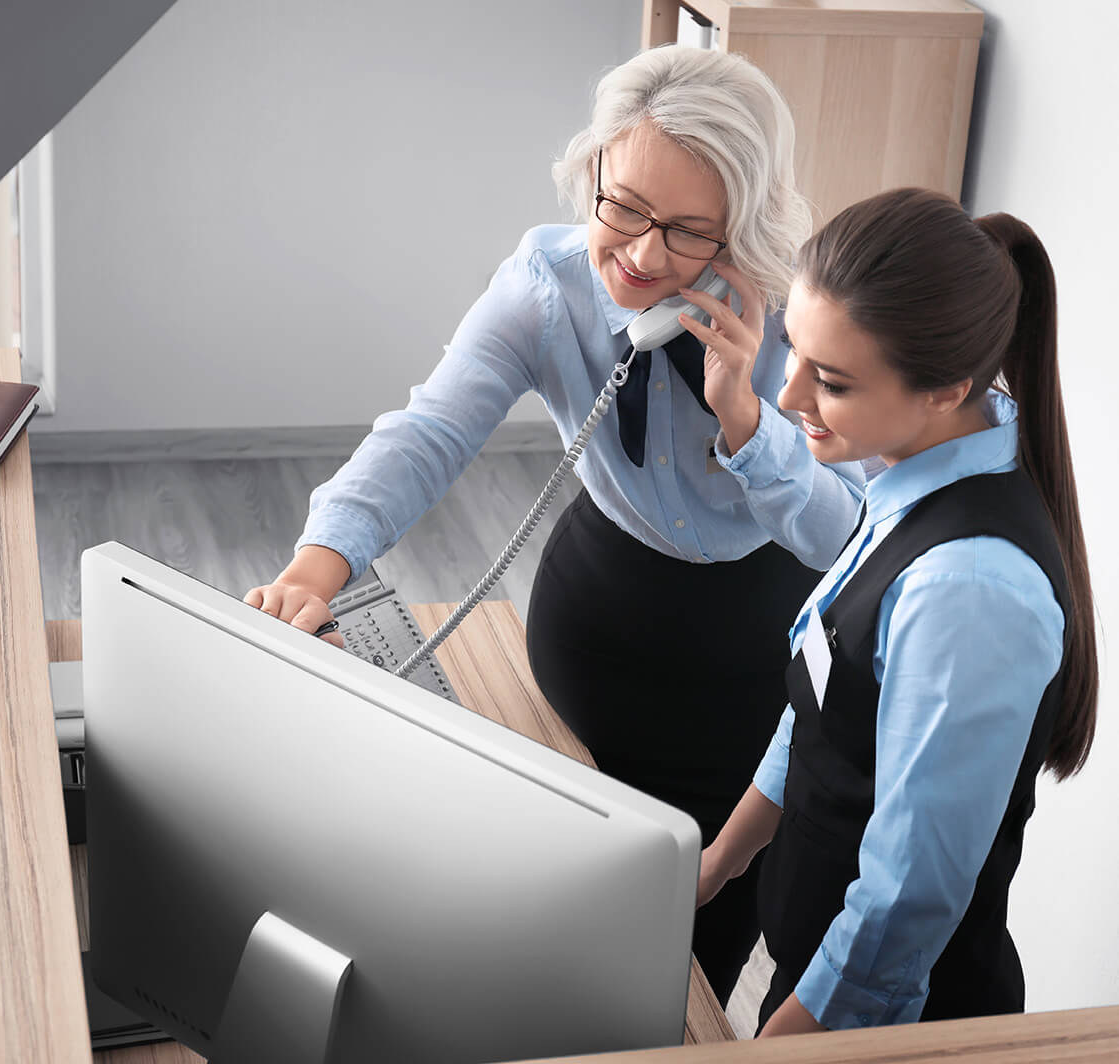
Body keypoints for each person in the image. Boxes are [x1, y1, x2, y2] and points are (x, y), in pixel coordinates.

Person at [244, 45, 865, 1005]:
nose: (644, 255)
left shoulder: (805, 322)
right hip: (596, 637)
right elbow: (429, 431)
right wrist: (316, 568)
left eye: (688, 231)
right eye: (621, 206)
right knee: (554, 941)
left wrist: (747, 419)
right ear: (592, 175)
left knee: (686, 967)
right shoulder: (549, 281)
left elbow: (854, 547)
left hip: (751, 674)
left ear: (741, 232)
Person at [693, 187, 1098, 1035]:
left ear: (949, 387)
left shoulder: (971, 592)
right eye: (794, 353)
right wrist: (715, 865)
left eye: (831, 380)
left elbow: (905, 900)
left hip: (881, 1022)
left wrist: (779, 1045)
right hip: (815, 985)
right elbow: (827, 697)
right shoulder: (915, 462)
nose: (791, 394)